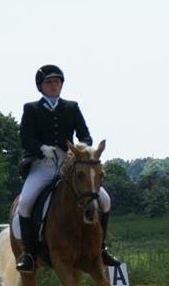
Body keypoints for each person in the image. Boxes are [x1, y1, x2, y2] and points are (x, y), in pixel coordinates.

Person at [13, 64, 121, 272]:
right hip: (42, 164)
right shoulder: (31, 109)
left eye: (56, 82)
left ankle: (102, 248)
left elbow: (85, 134)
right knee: (25, 203)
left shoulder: (72, 107)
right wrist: (41, 148)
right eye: (49, 82)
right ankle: (29, 254)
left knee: (104, 200)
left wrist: (82, 148)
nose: (53, 86)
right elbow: (25, 139)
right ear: (41, 87)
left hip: (70, 163)